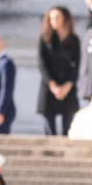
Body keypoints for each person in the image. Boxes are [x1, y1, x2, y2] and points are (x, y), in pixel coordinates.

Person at [37, 7, 80, 136]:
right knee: (49, 129)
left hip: (68, 87)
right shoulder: (44, 39)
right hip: (49, 87)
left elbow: (77, 65)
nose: (53, 21)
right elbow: (42, 64)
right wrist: (53, 85)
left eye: (57, 17)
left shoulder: (73, 40)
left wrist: (67, 86)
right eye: (51, 18)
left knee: (68, 127)